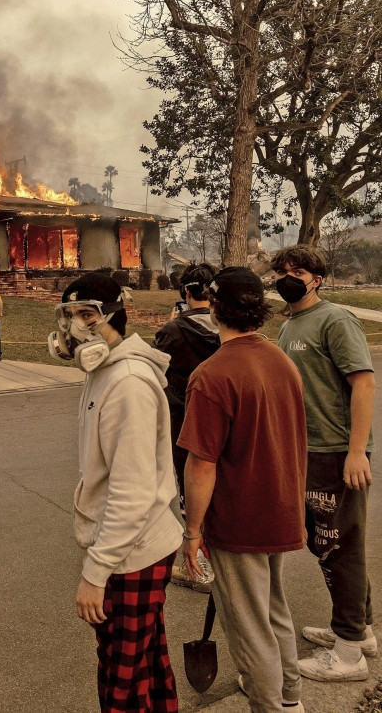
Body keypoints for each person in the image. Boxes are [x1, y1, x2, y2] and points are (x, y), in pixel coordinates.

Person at [50, 272, 182, 713]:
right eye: (70, 316)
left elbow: (132, 490)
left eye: (87, 315)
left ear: (115, 317)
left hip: (135, 551)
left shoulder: (126, 383)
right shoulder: (104, 372)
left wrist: (96, 572)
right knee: (144, 659)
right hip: (132, 546)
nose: (76, 327)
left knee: (120, 674)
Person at [178, 268, 307, 712]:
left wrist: (192, 531)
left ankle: (271, 705)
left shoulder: (212, 376)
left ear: (214, 308)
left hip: (239, 519)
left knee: (249, 629)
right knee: (274, 612)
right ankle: (290, 698)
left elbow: (202, 464)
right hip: (281, 508)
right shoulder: (281, 361)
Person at [274, 244, 377, 682]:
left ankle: (349, 655)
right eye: (282, 271)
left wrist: (356, 450)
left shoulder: (335, 319)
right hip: (308, 451)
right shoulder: (292, 323)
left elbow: (364, 383)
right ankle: (360, 632)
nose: (288, 277)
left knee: (340, 546)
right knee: (331, 543)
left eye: (297, 271)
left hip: (335, 451)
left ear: (317, 278)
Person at [152, 263, 220, 593]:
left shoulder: (174, 331)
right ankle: (222, 555)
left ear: (186, 293)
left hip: (184, 419)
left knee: (189, 489)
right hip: (223, 419)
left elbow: (154, 368)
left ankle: (199, 564)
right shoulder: (227, 327)